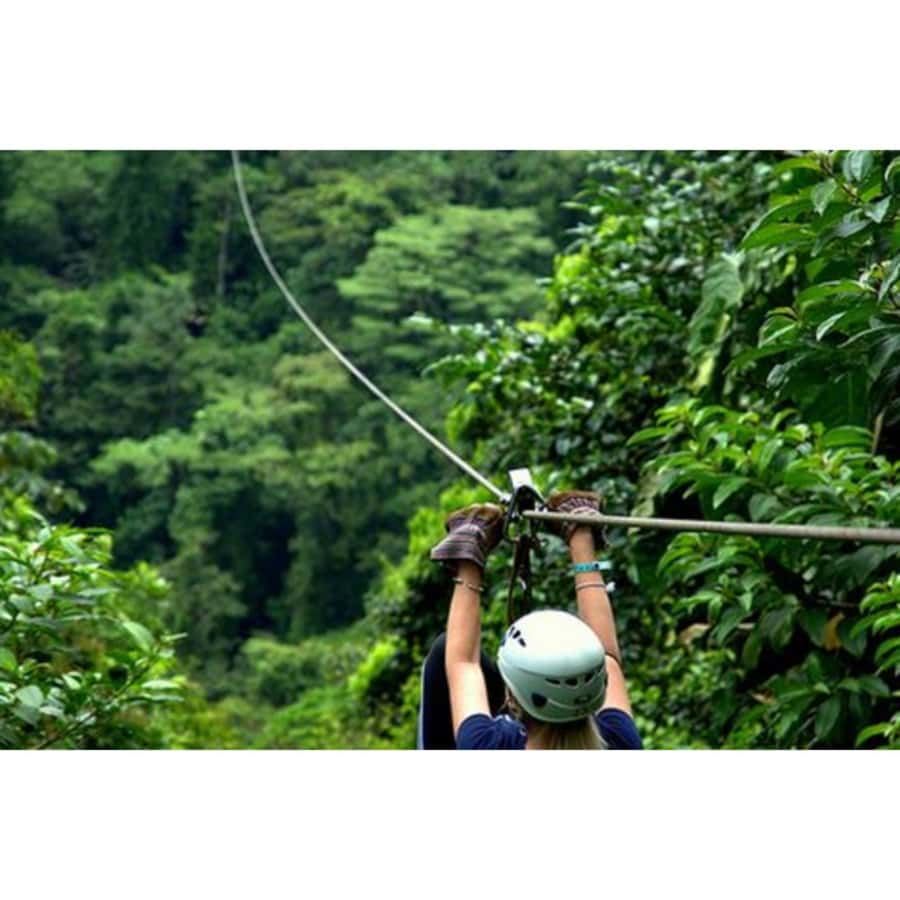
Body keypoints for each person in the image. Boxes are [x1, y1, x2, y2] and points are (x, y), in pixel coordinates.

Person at [417, 491, 642, 750]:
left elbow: (462, 663)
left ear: (510, 699)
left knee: (442, 653)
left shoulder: (487, 744)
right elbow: (609, 657)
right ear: (597, 688)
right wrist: (581, 539)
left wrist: (469, 552)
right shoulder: (617, 742)